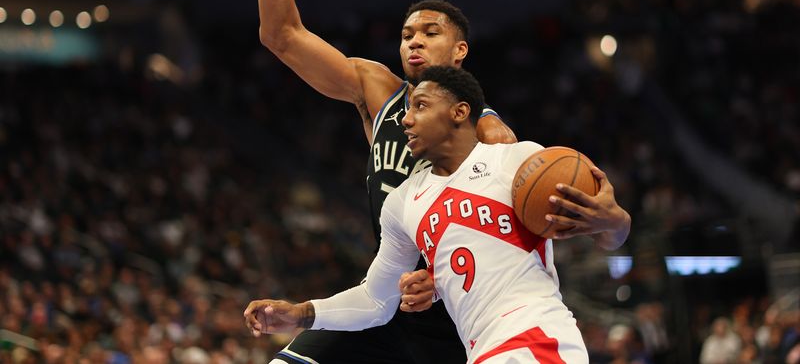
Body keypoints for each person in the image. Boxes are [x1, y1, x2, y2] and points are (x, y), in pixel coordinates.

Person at [256, 0, 631, 363]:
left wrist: (612, 222)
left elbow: (526, 231)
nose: (412, 40)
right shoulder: (376, 91)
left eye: (429, 32)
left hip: (462, 318)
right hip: (386, 302)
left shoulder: (493, 139)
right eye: (406, 32)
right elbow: (281, 33)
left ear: (459, 51)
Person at [245, 66, 623, 363]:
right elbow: (376, 301)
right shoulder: (404, 202)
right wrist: (301, 314)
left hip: (535, 334)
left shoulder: (518, 161)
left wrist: (614, 222)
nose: (406, 119)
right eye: (407, 109)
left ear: (459, 112)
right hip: (482, 349)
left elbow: (609, 233)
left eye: (420, 106)